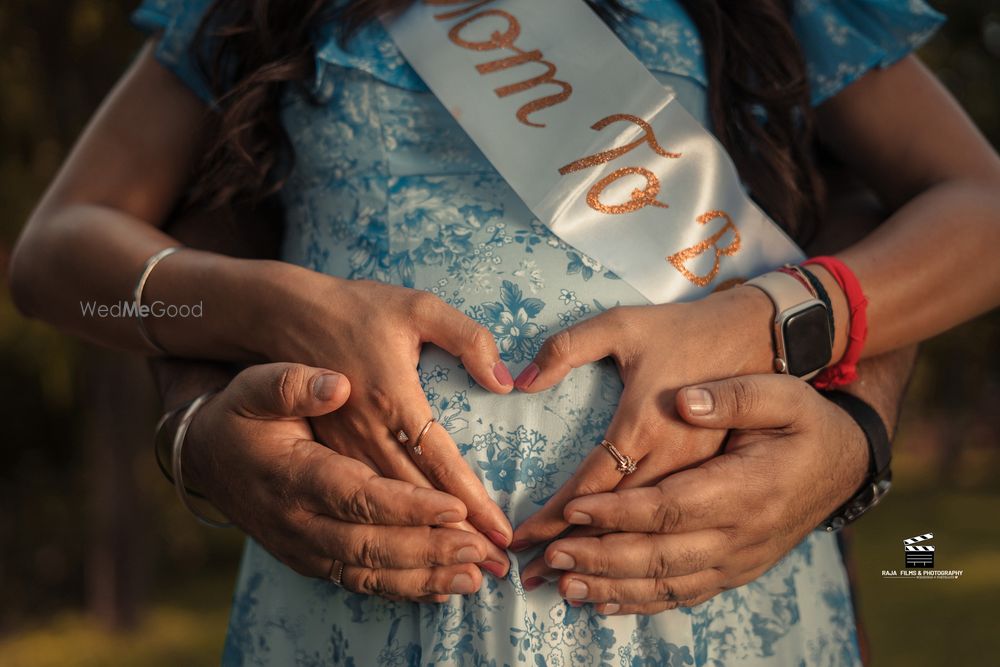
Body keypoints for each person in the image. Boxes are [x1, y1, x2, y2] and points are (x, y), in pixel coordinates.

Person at [8, 0, 1000, 664]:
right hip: (352, 609)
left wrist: (767, 321)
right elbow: (56, 263)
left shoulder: (762, 9)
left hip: (710, 611)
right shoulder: (272, 11)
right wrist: (276, 305)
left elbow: (978, 210)